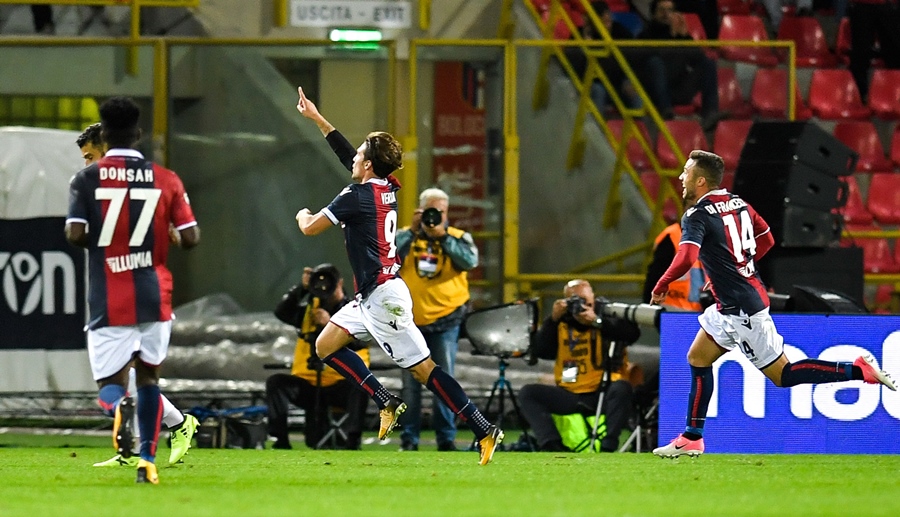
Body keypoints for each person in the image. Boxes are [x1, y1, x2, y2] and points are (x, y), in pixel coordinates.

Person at [292, 86, 504, 465]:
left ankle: (484, 428)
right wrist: (317, 119)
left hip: (384, 298)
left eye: (360, 154)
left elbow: (310, 228)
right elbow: (350, 157)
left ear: (368, 165)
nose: (354, 157)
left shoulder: (353, 197)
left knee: (425, 371)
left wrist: (302, 214)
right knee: (324, 347)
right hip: (373, 294)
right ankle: (386, 400)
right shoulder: (385, 186)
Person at [649, 150, 897, 458]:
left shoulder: (696, 215)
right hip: (730, 304)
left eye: (685, 173)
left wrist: (661, 285)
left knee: (784, 375)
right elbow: (765, 239)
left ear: (701, 181)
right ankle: (692, 438)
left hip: (743, 310)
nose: (680, 178)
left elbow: (687, 257)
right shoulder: (739, 204)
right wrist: (736, 271)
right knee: (698, 357)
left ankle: (858, 371)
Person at [65, 97, 201, 483]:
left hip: (111, 294)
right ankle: (147, 460)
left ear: (106, 139)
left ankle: (127, 417)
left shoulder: (87, 182)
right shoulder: (166, 178)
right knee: (148, 380)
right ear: (138, 135)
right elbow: (190, 238)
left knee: (111, 390)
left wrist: (107, 241)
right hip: (155, 293)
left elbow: (75, 234)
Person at [394, 187, 477, 452]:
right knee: (410, 386)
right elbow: (387, 258)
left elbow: (469, 262)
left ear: (447, 213)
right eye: (431, 211)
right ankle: (409, 439)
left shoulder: (458, 237)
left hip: (446, 321)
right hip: (409, 322)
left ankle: (446, 439)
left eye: (440, 211)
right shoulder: (404, 236)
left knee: (443, 381)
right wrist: (413, 232)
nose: (435, 216)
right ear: (419, 210)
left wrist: (442, 237)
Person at [519, 280, 640, 452]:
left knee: (622, 388)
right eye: (574, 300)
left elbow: (632, 334)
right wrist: (552, 320)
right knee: (528, 393)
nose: (581, 305)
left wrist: (597, 321)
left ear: (593, 298)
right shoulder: (560, 322)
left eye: (585, 300)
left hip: (602, 392)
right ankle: (552, 445)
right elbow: (540, 350)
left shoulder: (607, 313)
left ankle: (608, 446)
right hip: (569, 392)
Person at [267, 263, 369, 450]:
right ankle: (280, 441)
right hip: (309, 384)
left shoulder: (354, 309)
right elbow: (281, 312)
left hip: (341, 383)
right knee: (276, 382)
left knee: (362, 385)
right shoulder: (309, 311)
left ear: (340, 284)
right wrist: (302, 288)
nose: (325, 290)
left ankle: (353, 442)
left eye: (329, 284)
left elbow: (361, 342)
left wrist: (330, 323)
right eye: (319, 284)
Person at [638, 0, 722, 131]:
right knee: (655, 62)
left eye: (670, 10)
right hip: (655, 93)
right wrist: (672, 36)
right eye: (662, 10)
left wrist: (684, 36)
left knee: (708, 63)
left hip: (680, 88)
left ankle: (710, 113)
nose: (666, 14)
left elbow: (698, 57)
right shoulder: (645, 35)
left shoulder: (679, 34)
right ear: (654, 14)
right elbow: (657, 59)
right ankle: (666, 111)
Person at [564, 0, 643, 113]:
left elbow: (634, 55)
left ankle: (639, 127)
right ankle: (597, 129)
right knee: (598, 91)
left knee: (634, 88)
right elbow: (573, 68)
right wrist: (586, 48)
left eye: (609, 21)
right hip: (592, 84)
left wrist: (627, 79)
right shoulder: (579, 35)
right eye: (604, 22)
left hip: (616, 83)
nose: (608, 25)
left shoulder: (618, 31)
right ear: (593, 22)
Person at [642, 221, 706, 311]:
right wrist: (648, 309)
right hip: (671, 312)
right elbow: (654, 275)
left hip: (699, 314)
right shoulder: (672, 237)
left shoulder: (710, 239)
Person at [847, 0, 900, 101]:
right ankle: (858, 95)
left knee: (895, 52)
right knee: (860, 53)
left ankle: (896, 92)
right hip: (862, 4)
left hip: (888, 4)